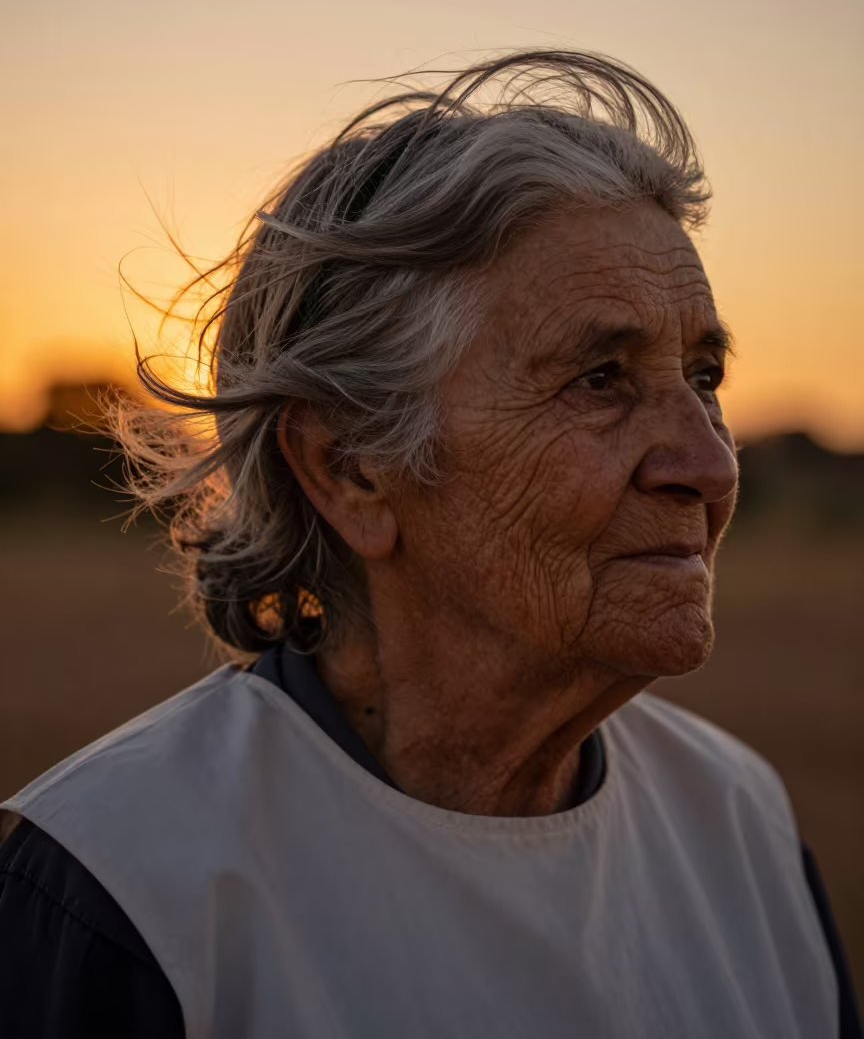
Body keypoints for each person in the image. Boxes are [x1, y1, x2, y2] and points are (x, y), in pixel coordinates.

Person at [0, 50, 859, 1038]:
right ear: (351, 468)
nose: (707, 467)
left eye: (703, 378)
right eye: (599, 381)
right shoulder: (126, 890)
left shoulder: (740, 830)